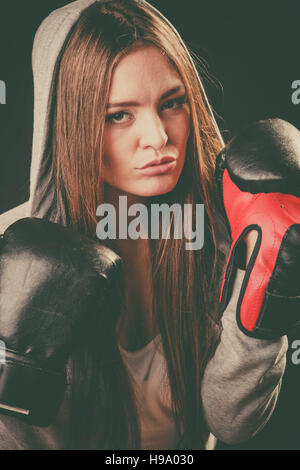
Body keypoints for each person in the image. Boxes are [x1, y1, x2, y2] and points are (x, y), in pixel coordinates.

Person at [0, 0, 290, 450]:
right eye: (119, 114)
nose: (158, 137)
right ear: (71, 122)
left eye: (172, 103)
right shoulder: (11, 257)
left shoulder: (224, 233)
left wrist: (263, 309)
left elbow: (232, 424)